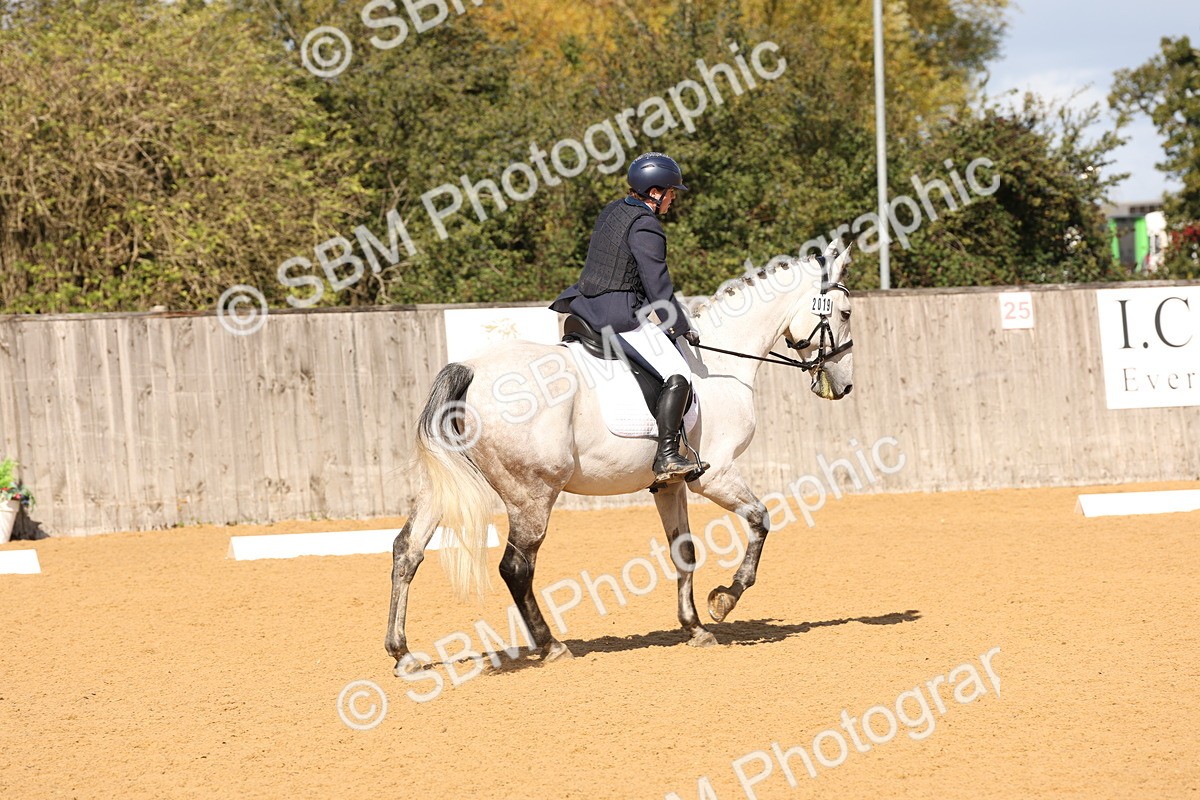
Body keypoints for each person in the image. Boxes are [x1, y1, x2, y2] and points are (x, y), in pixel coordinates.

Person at [550, 152, 701, 483]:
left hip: (584, 306)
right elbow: (658, 286)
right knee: (678, 373)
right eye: (672, 192)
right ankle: (666, 456)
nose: (674, 199)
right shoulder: (646, 225)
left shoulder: (614, 210)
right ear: (655, 191)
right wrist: (681, 326)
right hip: (618, 315)